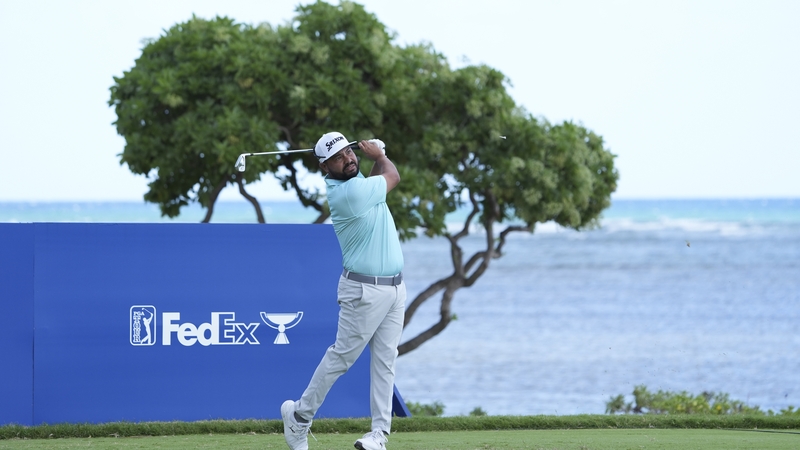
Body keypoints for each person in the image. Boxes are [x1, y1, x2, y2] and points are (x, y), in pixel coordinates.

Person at [280, 132, 406, 450]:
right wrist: (380, 155)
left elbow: (374, 183)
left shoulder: (356, 183)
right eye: (338, 158)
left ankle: (379, 434)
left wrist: (375, 158)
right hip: (363, 291)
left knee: (385, 361)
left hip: (395, 288)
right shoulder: (348, 193)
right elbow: (392, 176)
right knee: (342, 358)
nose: (348, 159)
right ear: (325, 167)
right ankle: (299, 417)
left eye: (349, 152)